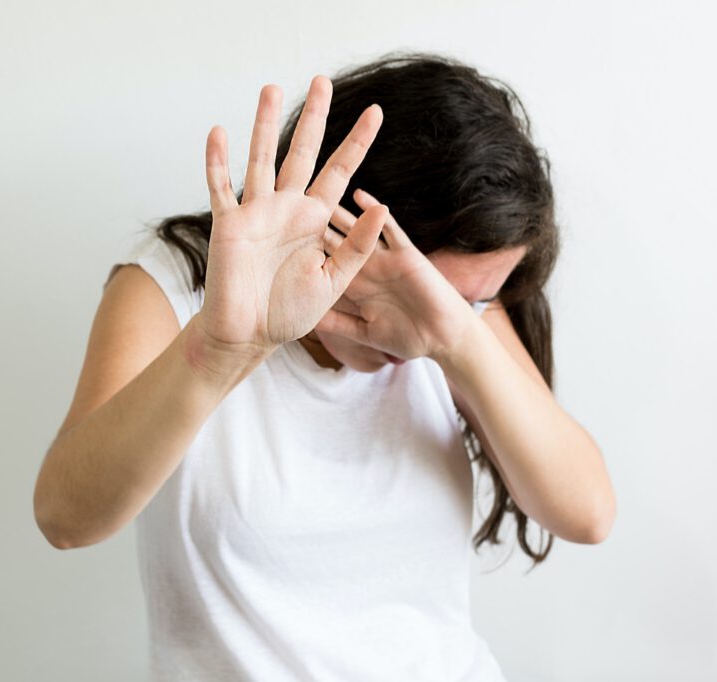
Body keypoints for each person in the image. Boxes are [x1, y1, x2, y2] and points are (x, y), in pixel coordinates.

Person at [33, 51, 615, 680]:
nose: (417, 331)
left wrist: (457, 335)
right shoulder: (178, 286)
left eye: (466, 300)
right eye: (411, 289)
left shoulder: (460, 317)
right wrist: (225, 351)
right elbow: (66, 519)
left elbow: (586, 512)